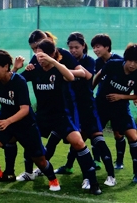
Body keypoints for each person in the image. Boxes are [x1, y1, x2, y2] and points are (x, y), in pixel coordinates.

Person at [15, 39, 101, 194]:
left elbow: (71, 77)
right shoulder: (35, 68)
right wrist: (16, 69)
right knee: (29, 138)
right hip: (42, 115)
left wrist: (53, 62)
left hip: (61, 115)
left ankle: (92, 182)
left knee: (78, 142)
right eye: (37, 55)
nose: (39, 59)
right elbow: (16, 82)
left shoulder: (59, 69)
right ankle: (29, 172)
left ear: (52, 55)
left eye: (43, 56)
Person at [0, 50, 60, 192]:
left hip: (25, 124)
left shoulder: (20, 82)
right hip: (5, 118)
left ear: (5, 66)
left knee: (40, 161)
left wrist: (8, 122)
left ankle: (53, 179)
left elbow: (25, 109)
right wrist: (15, 68)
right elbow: (8, 80)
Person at [57, 32, 116, 187]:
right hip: (72, 108)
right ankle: (83, 175)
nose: (73, 50)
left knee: (98, 140)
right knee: (78, 142)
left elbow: (88, 75)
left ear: (83, 46)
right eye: (70, 48)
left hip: (88, 107)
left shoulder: (89, 61)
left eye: (76, 47)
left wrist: (65, 69)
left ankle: (111, 176)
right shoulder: (66, 61)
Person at [93, 43, 137, 183]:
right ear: (126, 59)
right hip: (102, 106)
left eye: (136, 62)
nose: (133, 65)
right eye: (131, 61)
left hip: (121, 108)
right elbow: (99, 75)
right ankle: (90, 165)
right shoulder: (113, 65)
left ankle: (136, 173)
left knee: (133, 137)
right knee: (90, 133)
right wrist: (90, 91)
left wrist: (121, 97)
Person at [91, 33, 125, 170]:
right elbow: (97, 78)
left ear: (107, 47)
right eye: (93, 47)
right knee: (96, 131)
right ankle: (96, 161)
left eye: (98, 47)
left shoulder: (119, 60)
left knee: (118, 133)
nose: (95, 50)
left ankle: (119, 161)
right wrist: (90, 92)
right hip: (101, 102)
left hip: (117, 104)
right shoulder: (97, 62)